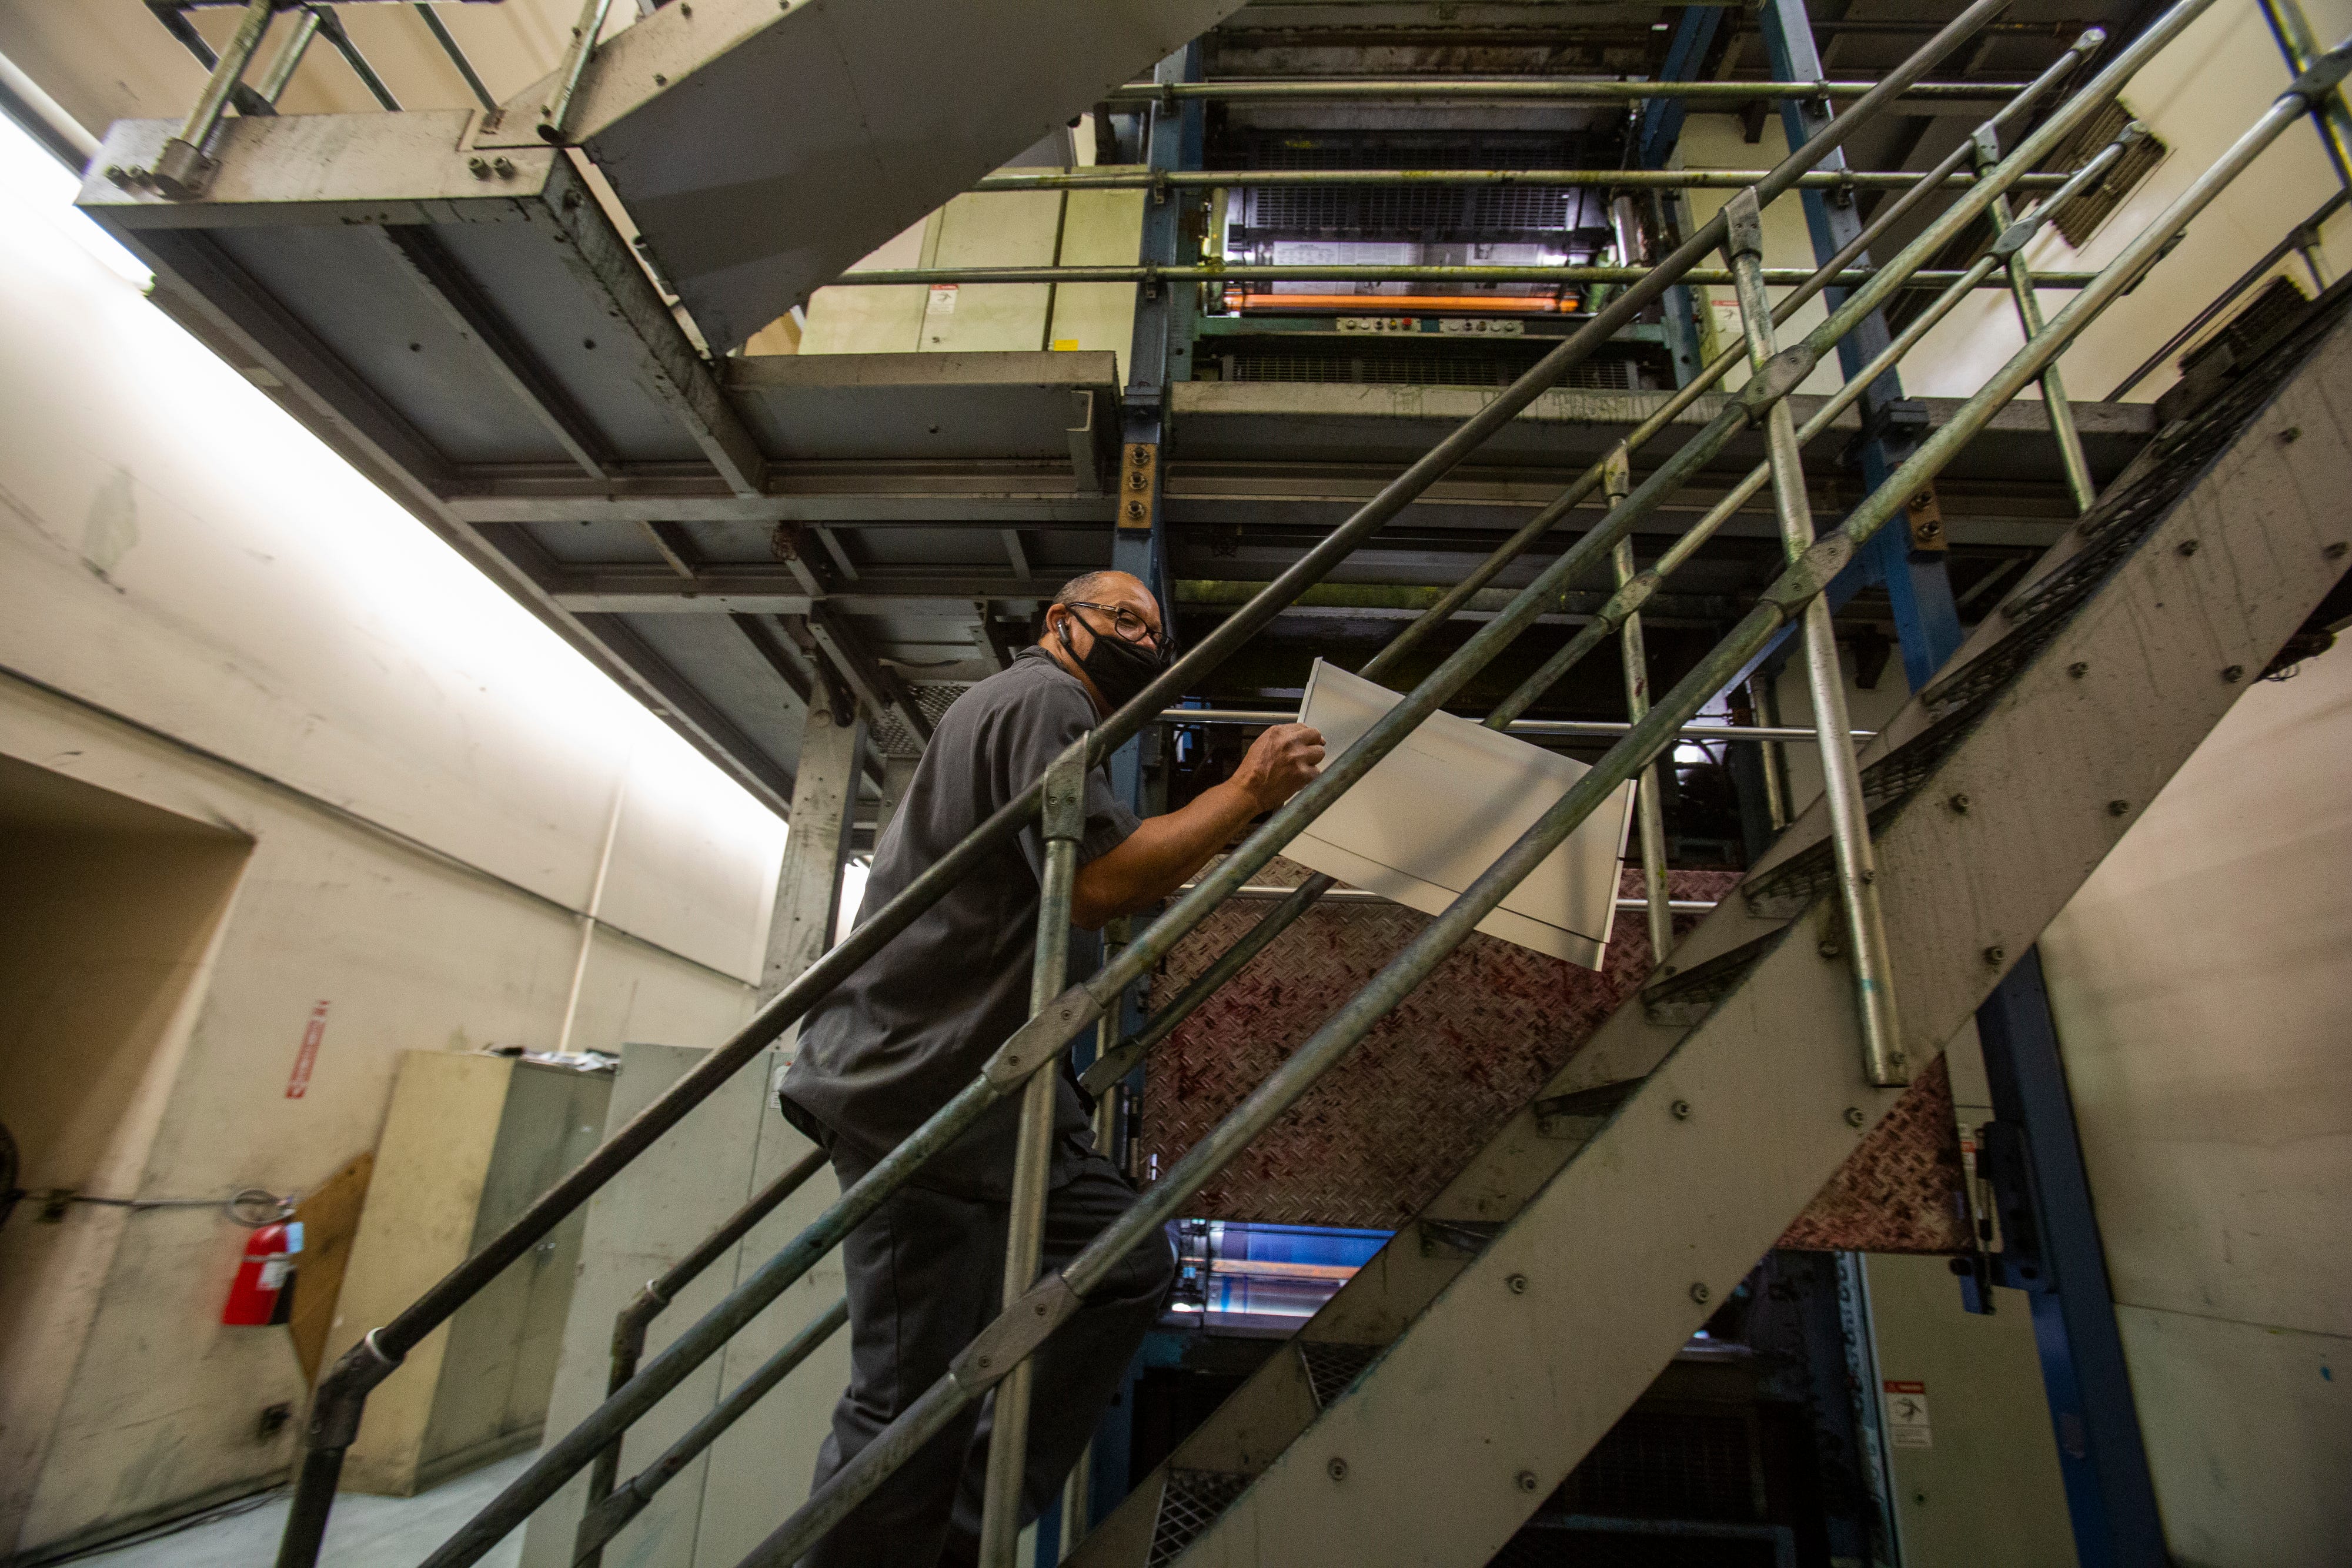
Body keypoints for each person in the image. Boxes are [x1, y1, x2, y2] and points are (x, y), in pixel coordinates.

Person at [778, 569, 1325, 1567]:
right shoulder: (1044, 697)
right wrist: (1246, 790)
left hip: (992, 1105)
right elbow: (1100, 885)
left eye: (1151, 630)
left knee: (1124, 1264)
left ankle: (954, 1532)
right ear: (1056, 625)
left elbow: (1103, 878)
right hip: (919, 1096)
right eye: (1118, 616)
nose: (1137, 638)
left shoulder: (1057, 721)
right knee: (905, 1405)